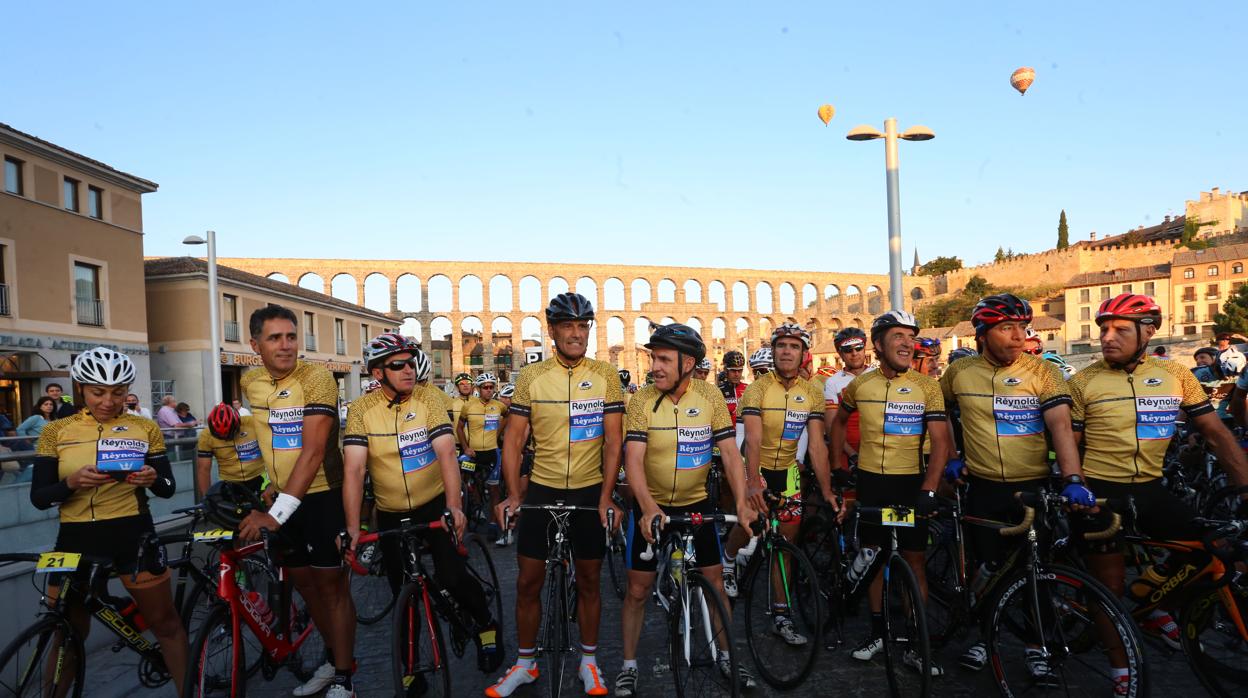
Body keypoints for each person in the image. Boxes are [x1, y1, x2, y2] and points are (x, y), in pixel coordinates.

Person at [1070, 294, 1248, 673]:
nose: (1107, 337)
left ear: (1148, 331)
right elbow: (1068, 446)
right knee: (1110, 589)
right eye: (1103, 329)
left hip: (1150, 486)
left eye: (1119, 329)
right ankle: (1123, 674)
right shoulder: (1083, 381)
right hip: (1100, 492)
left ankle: (1155, 605)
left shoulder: (1176, 375)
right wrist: (1075, 486)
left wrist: (1245, 488)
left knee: (1209, 550)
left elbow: (1215, 433)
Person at [937, 294, 1089, 680]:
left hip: (1032, 487)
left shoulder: (1043, 371)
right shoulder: (959, 373)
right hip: (983, 487)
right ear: (983, 334)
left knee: (1035, 570)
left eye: (1023, 327)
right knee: (987, 569)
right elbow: (938, 414)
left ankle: (1036, 644)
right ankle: (984, 637)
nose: (1019, 336)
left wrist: (1072, 478)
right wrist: (952, 454)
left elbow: (1060, 426)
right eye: (1007, 328)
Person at [341, 333, 500, 688]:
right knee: (402, 591)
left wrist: (455, 507)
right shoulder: (361, 411)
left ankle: (486, 626)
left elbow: (446, 453)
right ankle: (411, 664)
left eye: (411, 363)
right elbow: (353, 469)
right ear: (378, 373)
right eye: (398, 365)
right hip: (392, 511)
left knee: (452, 576)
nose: (409, 370)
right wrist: (352, 527)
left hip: (433, 502)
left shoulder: (428, 400)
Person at [490, 293, 624, 697]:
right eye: (568, 326)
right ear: (552, 331)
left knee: (588, 580)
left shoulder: (605, 375)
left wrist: (606, 498)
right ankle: (526, 663)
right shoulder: (532, 377)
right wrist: (514, 494)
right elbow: (513, 442)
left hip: (587, 490)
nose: (577, 334)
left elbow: (614, 442)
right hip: (544, 487)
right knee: (528, 582)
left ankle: (589, 662)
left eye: (583, 326)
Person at [30, 348, 187, 692]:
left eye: (118, 392)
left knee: (166, 624)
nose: (108, 401)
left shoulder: (145, 427)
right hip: (75, 539)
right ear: (81, 389)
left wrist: (151, 478)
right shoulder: (56, 431)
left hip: (134, 534)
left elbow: (168, 488)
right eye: (98, 392)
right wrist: (70, 483)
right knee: (68, 633)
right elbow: (39, 497)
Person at [614, 324, 758, 696]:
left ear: (688, 362)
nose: (655, 366)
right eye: (653, 358)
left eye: (663, 359)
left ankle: (727, 657)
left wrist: (742, 502)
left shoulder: (709, 396)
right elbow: (633, 459)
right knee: (637, 589)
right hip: (652, 505)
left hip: (697, 503)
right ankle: (628, 665)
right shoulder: (643, 399)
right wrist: (646, 509)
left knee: (713, 581)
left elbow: (729, 453)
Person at [237, 305, 356, 698]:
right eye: (275, 338)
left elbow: (314, 449)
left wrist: (276, 513)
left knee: (331, 587)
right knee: (306, 586)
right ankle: (335, 656)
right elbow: (268, 440)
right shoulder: (249, 381)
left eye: (291, 336)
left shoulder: (317, 377)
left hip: (322, 495)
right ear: (255, 345)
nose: (286, 346)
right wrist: (271, 485)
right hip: (284, 498)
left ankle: (345, 678)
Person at [829, 311, 951, 675]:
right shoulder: (860, 385)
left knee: (914, 561)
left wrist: (929, 489)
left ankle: (916, 643)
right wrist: (838, 463)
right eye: (897, 336)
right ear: (878, 344)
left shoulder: (927, 386)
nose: (906, 342)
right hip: (871, 484)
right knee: (874, 557)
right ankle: (877, 632)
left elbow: (942, 443)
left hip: (909, 484)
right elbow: (837, 422)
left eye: (910, 336)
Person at [723, 323, 836, 640]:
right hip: (754, 467)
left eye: (794, 346)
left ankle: (782, 615)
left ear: (803, 354)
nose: (787, 351)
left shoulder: (812, 391)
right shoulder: (758, 389)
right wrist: (753, 481)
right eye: (781, 345)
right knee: (749, 526)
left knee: (784, 548)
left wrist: (826, 490)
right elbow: (754, 440)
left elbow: (816, 445)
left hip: (787, 472)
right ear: (774, 352)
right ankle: (729, 559)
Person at [458, 372, 509, 545]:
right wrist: (466, 447)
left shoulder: (499, 406)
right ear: (478, 389)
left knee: (494, 490)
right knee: (469, 482)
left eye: (491, 387)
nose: (489, 390)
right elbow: (459, 428)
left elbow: (508, 417)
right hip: (474, 454)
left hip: (492, 453)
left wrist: (498, 434)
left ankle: (494, 524)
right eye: (485, 387)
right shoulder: (469, 406)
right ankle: (474, 511)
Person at [823, 327, 870, 473]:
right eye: (848, 350)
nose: (854, 353)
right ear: (840, 354)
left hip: (877, 449)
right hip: (846, 450)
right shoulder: (833, 382)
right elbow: (831, 426)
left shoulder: (879, 375)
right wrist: (852, 454)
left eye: (858, 348)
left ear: (864, 349)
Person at [195, 403, 265, 499]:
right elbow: (203, 469)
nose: (225, 438)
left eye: (229, 433)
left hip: (260, 476)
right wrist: (207, 498)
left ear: (238, 423)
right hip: (230, 482)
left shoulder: (251, 423)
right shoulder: (206, 436)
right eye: (220, 436)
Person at [451, 372, 475, 450]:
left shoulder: (478, 403)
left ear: (472, 386)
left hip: (476, 445)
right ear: (457, 387)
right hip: (457, 445)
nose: (465, 385)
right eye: (462, 383)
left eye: (468, 383)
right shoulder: (452, 404)